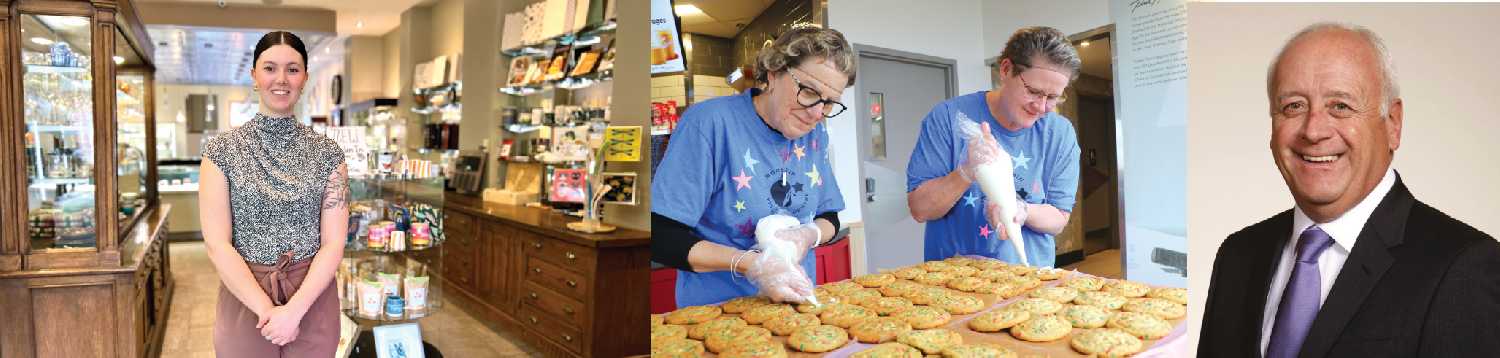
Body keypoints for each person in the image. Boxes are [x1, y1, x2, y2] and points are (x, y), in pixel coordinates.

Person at [1199, 23, 1500, 357]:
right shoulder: (1237, 255)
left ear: (1393, 124)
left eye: (1340, 106)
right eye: (1293, 106)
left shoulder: (1463, 268)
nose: (1313, 131)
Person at [651, 26, 854, 307]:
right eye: (809, 92)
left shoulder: (815, 136)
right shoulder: (710, 124)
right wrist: (752, 265)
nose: (817, 113)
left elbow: (829, 216)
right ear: (773, 73)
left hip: (797, 303)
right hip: (718, 313)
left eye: (830, 103)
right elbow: (662, 237)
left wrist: (808, 235)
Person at [199, 31, 347, 357]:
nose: (281, 79)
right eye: (270, 68)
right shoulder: (220, 151)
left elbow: (334, 242)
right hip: (244, 298)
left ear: (305, 77)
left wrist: (294, 311)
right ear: (254, 75)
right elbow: (216, 244)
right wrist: (268, 311)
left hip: (312, 298)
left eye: (292, 69)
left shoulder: (329, 154)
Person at [905, 26, 1081, 267]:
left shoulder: (1059, 133)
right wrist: (966, 171)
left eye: (1052, 98)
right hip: (953, 280)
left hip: (1029, 281)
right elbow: (920, 209)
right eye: (1033, 91)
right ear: (1006, 70)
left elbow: (1059, 218)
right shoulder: (948, 118)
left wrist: (1022, 210)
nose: (1040, 107)